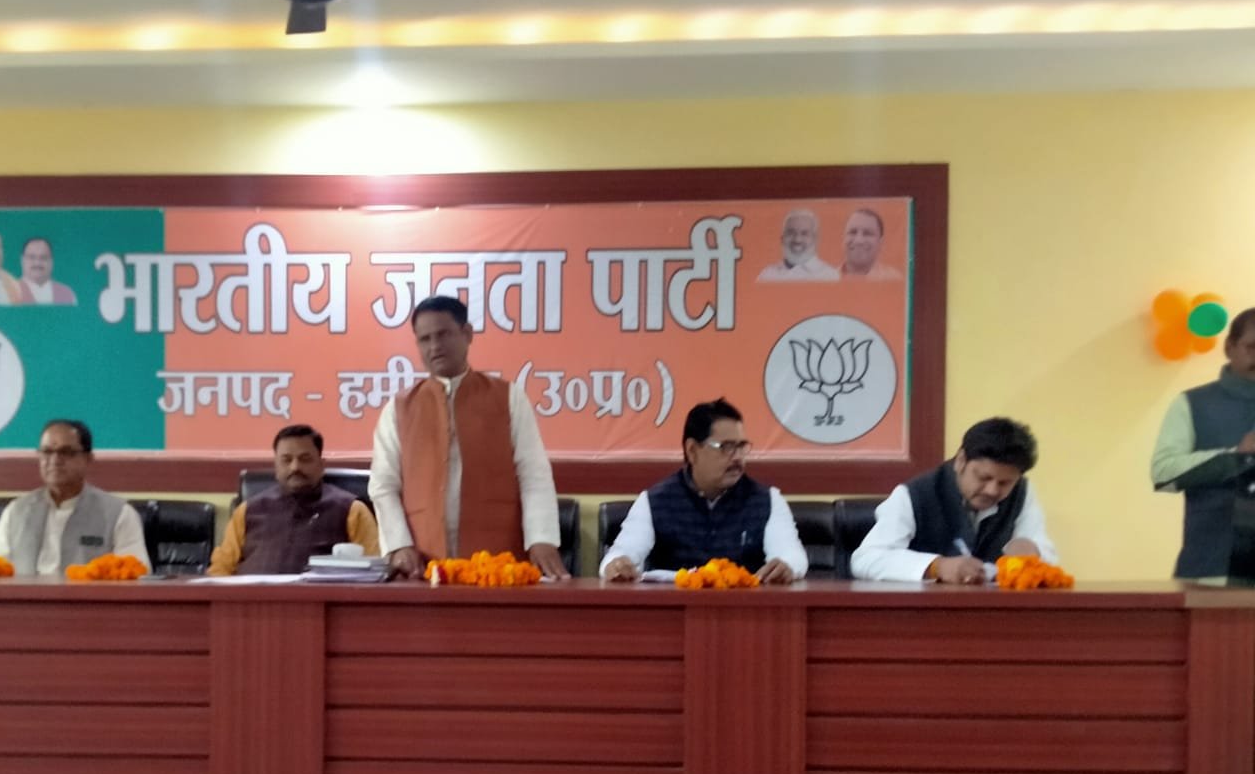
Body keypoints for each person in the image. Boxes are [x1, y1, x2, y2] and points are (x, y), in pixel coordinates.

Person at [368, 295, 567, 580]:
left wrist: (542, 538)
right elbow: (383, 484)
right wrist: (399, 544)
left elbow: (533, 474)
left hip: (497, 562)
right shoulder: (398, 409)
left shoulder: (508, 398)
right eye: (424, 339)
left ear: (467, 334)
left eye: (443, 334)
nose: (434, 346)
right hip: (423, 564)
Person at [600, 398, 807, 584]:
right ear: (692, 450)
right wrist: (616, 565)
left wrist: (787, 566)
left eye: (741, 446)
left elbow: (791, 555)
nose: (737, 457)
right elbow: (621, 554)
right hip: (675, 609)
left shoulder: (766, 500)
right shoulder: (654, 501)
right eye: (726, 447)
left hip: (745, 610)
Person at [852, 417, 1056, 583]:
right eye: (983, 477)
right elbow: (866, 559)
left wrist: (1032, 549)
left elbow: (1046, 555)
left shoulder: (1022, 492)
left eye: (1004, 483)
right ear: (960, 461)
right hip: (923, 612)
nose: (992, 490)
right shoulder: (913, 494)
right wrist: (936, 567)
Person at [1152, 306, 1255, 578]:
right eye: (1252, 347)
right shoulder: (1193, 403)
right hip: (1211, 570)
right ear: (1229, 348)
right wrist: (1236, 455)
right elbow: (1163, 474)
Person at [0, 419, 150, 575]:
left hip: (88, 598)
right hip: (24, 598)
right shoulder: (16, 511)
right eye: (47, 452)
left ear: (88, 459)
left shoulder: (119, 514)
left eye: (66, 452)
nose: (55, 460)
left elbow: (136, 575)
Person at [208, 424, 379, 576]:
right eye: (286, 460)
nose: (295, 467)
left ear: (321, 465)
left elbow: (374, 570)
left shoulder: (352, 510)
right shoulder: (247, 511)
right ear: (276, 466)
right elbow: (220, 570)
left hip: (321, 601)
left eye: (305, 459)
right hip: (251, 600)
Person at [756, 209, 839, 282]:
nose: (797, 240)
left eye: (804, 233)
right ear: (782, 238)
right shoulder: (766, 275)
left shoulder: (830, 276)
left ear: (815, 239)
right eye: (791, 233)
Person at [839, 208, 904, 281]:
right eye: (852, 232)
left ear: (880, 243)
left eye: (867, 233)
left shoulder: (894, 279)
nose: (859, 241)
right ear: (843, 238)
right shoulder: (829, 277)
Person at [18, 237, 77, 305]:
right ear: (22, 260)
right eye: (31, 257)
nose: (37, 263)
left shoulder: (67, 294)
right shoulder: (11, 292)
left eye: (43, 257)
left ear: (51, 261)